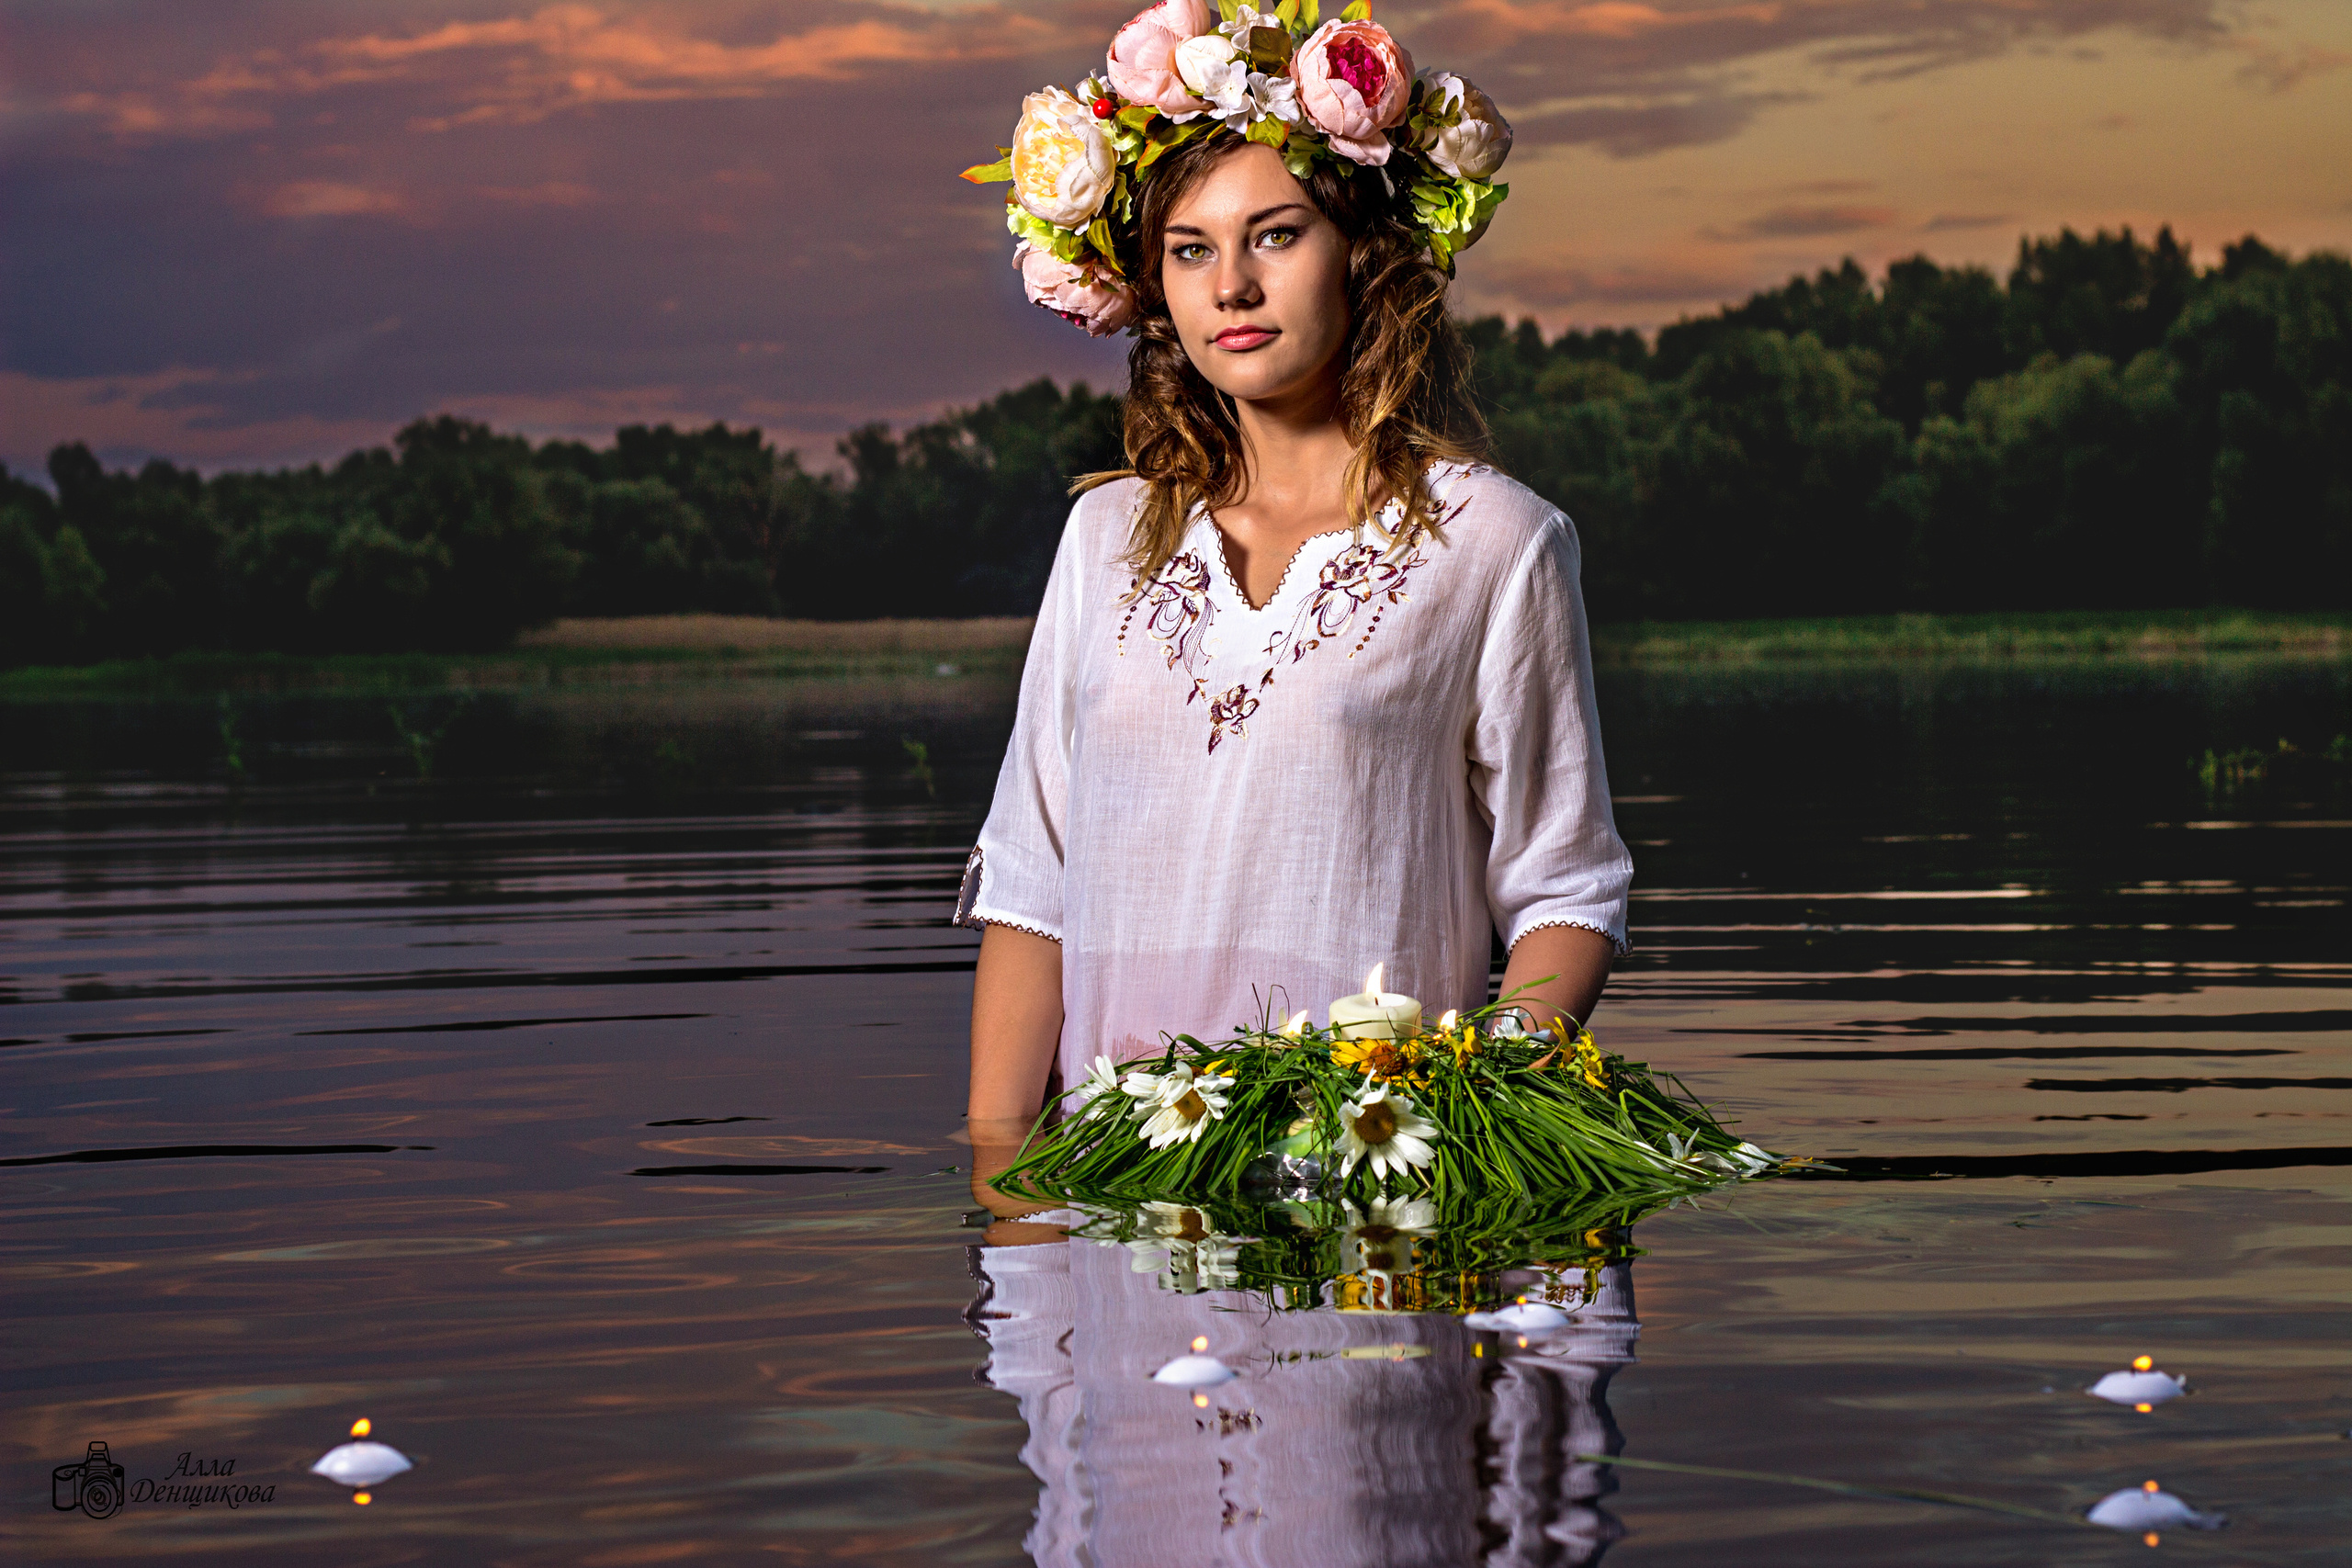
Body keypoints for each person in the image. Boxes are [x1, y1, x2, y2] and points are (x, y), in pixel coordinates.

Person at [956, 17, 1631, 1168]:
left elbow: (1564, 888)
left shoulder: (1493, 542)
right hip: (1123, 1185)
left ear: (1358, 251)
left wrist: (1466, 1118)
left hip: (1371, 1198)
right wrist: (1003, 1188)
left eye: (1276, 235)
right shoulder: (1103, 536)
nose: (1232, 284)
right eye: (1189, 249)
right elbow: (1033, 886)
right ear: (1154, 284)